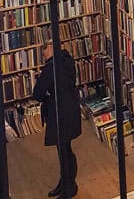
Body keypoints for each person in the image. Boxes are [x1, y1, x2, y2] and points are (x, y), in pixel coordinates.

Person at [32, 42, 82, 198]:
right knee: (65, 149)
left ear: (52, 49)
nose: (43, 55)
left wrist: (47, 91)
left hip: (59, 113)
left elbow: (37, 94)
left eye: (44, 51)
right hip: (71, 110)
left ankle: (69, 186)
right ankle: (66, 183)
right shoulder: (67, 60)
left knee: (64, 151)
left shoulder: (50, 68)